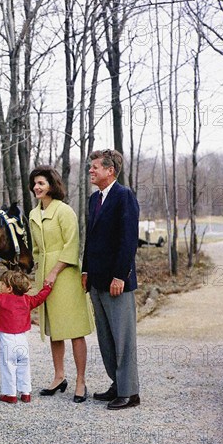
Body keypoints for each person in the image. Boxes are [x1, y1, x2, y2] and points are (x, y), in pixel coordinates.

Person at [28, 166, 94, 403]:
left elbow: (72, 245)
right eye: (35, 183)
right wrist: (39, 272)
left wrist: (55, 272)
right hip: (44, 274)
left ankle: (80, 381)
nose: (37, 187)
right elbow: (36, 250)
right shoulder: (33, 214)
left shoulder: (64, 211)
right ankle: (59, 376)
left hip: (65, 275)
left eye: (42, 183)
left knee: (74, 329)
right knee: (54, 329)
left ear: (52, 185)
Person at [82, 149, 141, 410]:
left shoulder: (124, 196)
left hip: (117, 282)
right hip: (96, 280)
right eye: (91, 167)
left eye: (95, 167)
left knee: (123, 338)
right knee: (106, 338)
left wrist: (120, 276)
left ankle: (130, 393)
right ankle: (117, 385)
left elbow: (128, 241)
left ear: (110, 170)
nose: (91, 171)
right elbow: (91, 239)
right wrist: (85, 271)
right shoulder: (94, 199)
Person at [0, 271, 52, 404]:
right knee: (24, 365)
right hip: (22, 339)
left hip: (7, 339)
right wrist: (47, 288)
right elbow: (39, 298)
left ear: (9, 288)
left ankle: (10, 394)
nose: (0, 286)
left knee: (8, 366)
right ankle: (25, 392)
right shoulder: (27, 300)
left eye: (2, 284)